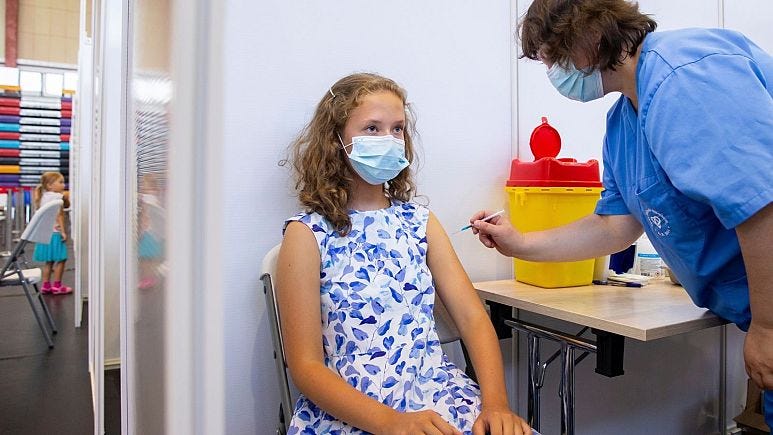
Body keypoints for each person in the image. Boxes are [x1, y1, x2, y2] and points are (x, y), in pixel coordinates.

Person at [470, 0, 772, 427]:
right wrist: (519, 242)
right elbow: (615, 226)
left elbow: (761, 203)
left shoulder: (685, 77)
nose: (554, 74)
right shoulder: (623, 122)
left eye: (552, 59)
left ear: (588, 35)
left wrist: (769, 327)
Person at [277, 73, 534, 435]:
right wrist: (390, 423)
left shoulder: (420, 223)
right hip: (350, 408)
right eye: (371, 128)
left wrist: (496, 405)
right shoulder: (306, 235)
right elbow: (305, 367)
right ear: (335, 141)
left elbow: (474, 320)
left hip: (436, 390)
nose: (388, 139)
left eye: (397, 129)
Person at [32, 171, 72, 295]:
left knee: (48, 262)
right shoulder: (56, 197)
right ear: (50, 185)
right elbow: (60, 215)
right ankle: (57, 286)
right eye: (60, 182)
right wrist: (63, 232)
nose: (63, 185)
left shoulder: (43, 196)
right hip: (55, 233)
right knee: (62, 259)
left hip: (45, 234)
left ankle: (46, 285)